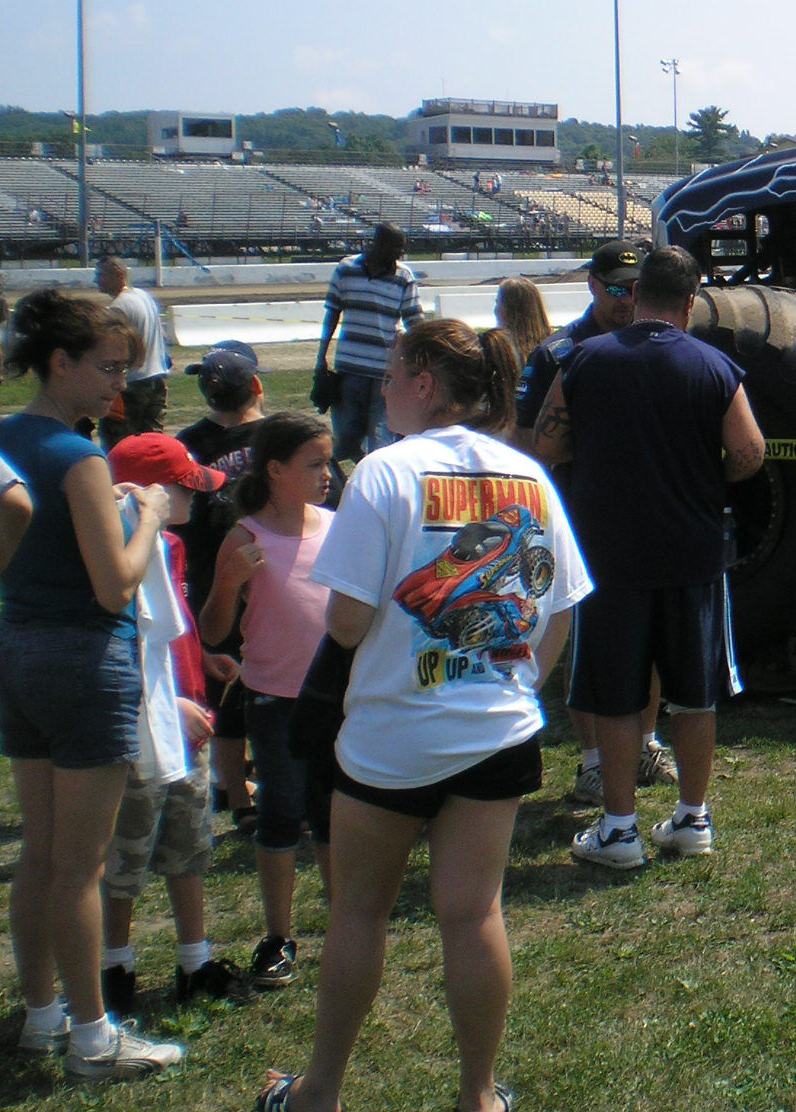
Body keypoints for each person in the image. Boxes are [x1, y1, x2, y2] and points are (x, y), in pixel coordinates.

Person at [257, 319, 590, 1112]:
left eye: (391, 373)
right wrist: (516, 687)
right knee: (474, 914)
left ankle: (319, 1094)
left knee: (359, 913)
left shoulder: (381, 472)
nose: (380, 388)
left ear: (425, 383)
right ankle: (478, 1095)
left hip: (390, 736)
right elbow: (563, 608)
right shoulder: (527, 474)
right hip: (497, 730)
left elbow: (344, 623)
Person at [0, 288, 186, 1082]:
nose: (117, 384)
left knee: (40, 856)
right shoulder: (81, 456)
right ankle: (94, 1038)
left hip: (20, 649)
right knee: (81, 865)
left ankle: (42, 1015)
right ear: (59, 362)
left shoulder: (8, 436)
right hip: (84, 659)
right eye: (106, 368)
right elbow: (116, 586)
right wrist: (150, 514)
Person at [532, 246, 766, 869]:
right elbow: (749, 454)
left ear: (635, 296)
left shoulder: (583, 360)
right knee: (694, 694)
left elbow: (547, 442)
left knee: (612, 693)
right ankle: (693, 818)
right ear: (691, 301)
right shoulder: (715, 367)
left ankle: (619, 828)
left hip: (608, 554)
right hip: (691, 554)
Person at [512, 240, 672, 803]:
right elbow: (525, 439)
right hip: (577, 518)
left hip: (642, 515)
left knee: (647, 638)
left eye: (636, 289)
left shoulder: (658, 346)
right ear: (592, 286)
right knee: (586, 647)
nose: (627, 300)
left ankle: (647, 744)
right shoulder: (559, 353)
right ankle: (592, 762)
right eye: (616, 289)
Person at [97, 433, 242, 1017]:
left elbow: (173, 624)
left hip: (188, 720)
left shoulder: (171, 547)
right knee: (125, 854)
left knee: (189, 845)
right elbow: (127, 644)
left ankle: (194, 959)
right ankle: (115, 965)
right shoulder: (119, 554)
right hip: (144, 725)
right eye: (186, 485)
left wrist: (201, 665)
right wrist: (172, 704)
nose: (196, 495)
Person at [199, 413, 336, 991]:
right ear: (276, 470)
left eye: (330, 462)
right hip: (274, 701)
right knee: (281, 813)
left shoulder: (336, 525)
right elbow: (211, 632)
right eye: (315, 464)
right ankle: (279, 935)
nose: (328, 474)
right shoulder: (245, 537)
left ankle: (345, 922)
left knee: (335, 815)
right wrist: (229, 582)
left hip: (336, 696)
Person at [178, 340, 268, 830]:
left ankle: (234, 792)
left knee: (225, 692)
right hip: (276, 580)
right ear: (256, 385)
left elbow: (179, 522)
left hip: (212, 582)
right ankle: (265, 786)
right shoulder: (280, 436)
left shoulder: (187, 444)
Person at [316, 223, 423, 465]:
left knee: (381, 440)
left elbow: (414, 321)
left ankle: (371, 481)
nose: (400, 254)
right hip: (349, 369)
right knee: (346, 438)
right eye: (396, 248)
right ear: (378, 243)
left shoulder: (404, 276)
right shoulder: (346, 269)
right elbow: (332, 313)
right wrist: (321, 357)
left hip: (384, 372)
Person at [96, 256, 172, 449]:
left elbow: (109, 349)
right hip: (157, 378)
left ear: (118, 275)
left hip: (132, 385)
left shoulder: (118, 307)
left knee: (119, 444)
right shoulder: (142, 296)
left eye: (101, 275)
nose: (97, 280)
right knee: (153, 443)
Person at [492, 277, 552, 366]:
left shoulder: (498, 350)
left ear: (511, 311)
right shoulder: (553, 346)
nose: (495, 310)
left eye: (498, 303)